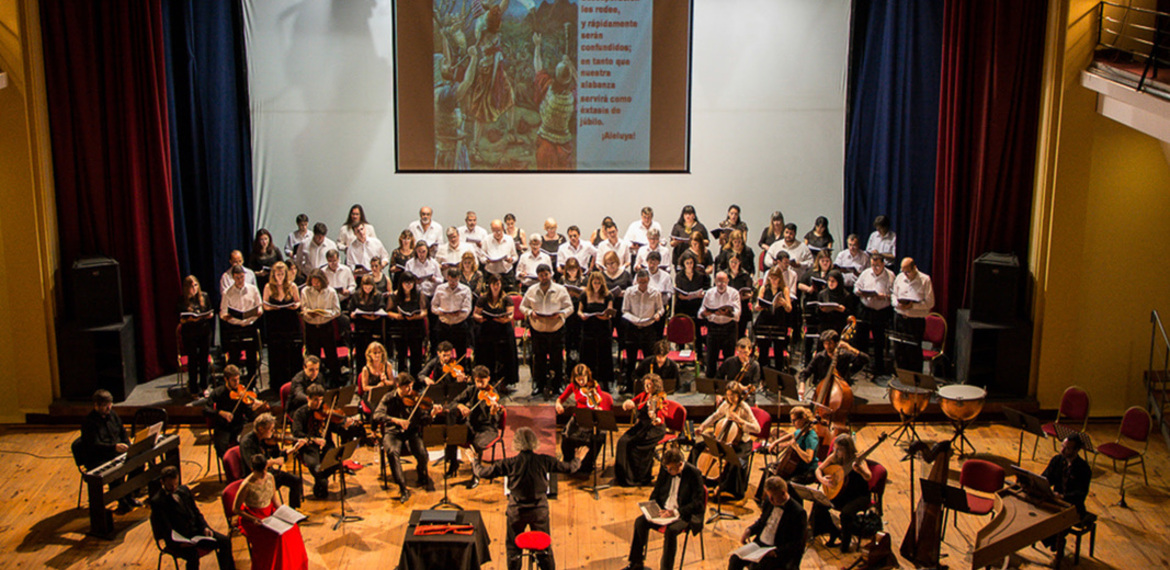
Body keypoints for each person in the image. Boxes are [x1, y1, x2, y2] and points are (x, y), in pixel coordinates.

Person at [468, 427, 585, 570]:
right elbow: (569, 468)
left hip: (516, 511)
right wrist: (578, 459)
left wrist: (474, 460)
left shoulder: (509, 463)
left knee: (513, 548)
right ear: (534, 442)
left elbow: (482, 472)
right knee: (544, 548)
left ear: (516, 443)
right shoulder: (544, 460)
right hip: (539, 511)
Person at [622, 447, 705, 570]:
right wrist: (651, 507)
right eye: (667, 468)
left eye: (671, 468)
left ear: (680, 464)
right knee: (640, 522)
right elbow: (657, 491)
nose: (668, 470)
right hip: (664, 510)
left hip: (683, 513)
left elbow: (698, 503)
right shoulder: (666, 470)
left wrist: (675, 512)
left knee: (671, 532)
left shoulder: (694, 474)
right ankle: (636, 563)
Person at [149, 465, 235, 570]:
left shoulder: (184, 490)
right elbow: (165, 528)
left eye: (176, 484)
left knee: (225, 541)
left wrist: (205, 527)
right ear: (162, 482)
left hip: (197, 532)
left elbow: (196, 512)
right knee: (193, 556)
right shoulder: (158, 501)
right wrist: (180, 544)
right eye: (170, 485)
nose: (174, 488)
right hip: (180, 540)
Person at [233, 453, 309, 569]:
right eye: (261, 472)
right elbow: (236, 509)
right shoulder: (246, 485)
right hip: (254, 518)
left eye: (265, 470)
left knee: (292, 529)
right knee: (277, 537)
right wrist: (254, 519)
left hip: (270, 512)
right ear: (252, 469)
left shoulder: (270, 477)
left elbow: (275, 499)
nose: (264, 474)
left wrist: (285, 513)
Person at [688, 381, 760, 500]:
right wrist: (702, 426)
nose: (730, 399)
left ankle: (725, 487)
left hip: (741, 442)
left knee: (734, 462)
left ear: (739, 395)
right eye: (728, 395)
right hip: (722, 437)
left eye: (733, 396)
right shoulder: (726, 404)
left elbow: (757, 428)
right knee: (698, 447)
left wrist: (740, 421)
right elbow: (715, 416)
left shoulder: (744, 407)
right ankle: (694, 475)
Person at [373, 374, 438, 501]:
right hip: (393, 432)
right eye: (406, 387)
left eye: (411, 387)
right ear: (398, 386)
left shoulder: (415, 399)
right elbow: (377, 415)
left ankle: (421, 473)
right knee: (392, 452)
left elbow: (423, 420)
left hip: (410, 432)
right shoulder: (388, 398)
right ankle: (402, 488)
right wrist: (396, 420)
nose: (410, 390)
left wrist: (432, 415)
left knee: (422, 453)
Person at [292, 384, 364, 499]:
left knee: (336, 460)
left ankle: (320, 481)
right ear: (308, 398)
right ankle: (322, 482)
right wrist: (315, 440)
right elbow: (297, 433)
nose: (318, 403)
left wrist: (344, 426)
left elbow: (335, 429)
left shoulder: (325, 412)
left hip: (326, 444)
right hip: (309, 447)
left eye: (320, 400)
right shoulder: (300, 413)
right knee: (314, 466)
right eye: (315, 400)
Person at [79, 389, 140, 512]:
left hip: (116, 452)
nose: (109, 408)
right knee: (115, 472)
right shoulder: (89, 423)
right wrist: (114, 448)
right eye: (105, 406)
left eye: (110, 404)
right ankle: (121, 500)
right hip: (100, 457)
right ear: (96, 405)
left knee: (139, 463)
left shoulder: (113, 415)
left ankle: (129, 494)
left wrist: (128, 445)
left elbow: (122, 432)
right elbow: (94, 445)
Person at [811, 434, 873, 553]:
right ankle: (834, 531)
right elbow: (818, 469)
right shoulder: (834, 457)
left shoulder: (858, 459)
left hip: (859, 495)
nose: (836, 451)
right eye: (835, 448)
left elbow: (869, 476)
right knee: (820, 504)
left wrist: (859, 470)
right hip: (842, 493)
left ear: (847, 449)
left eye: (839, 449)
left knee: (846, 514)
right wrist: (822, 479)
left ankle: (845, 544)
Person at [730, 476, 807, 570]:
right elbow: (762, 521)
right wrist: (749, 530)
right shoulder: (769, 502)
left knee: (759, 568)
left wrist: (776, 552)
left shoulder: (798, 512)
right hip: (759, 545)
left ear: (783, 493)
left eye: (772, 497)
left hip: (776, 551)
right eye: (768, 496)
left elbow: (797, 543)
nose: (770, 500)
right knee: (734, 559)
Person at [521, 264, 573, 396]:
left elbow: (570, 308)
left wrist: (560, 314)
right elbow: (522, 306)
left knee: (557, 359)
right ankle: (540, 384)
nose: (544, 277)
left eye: (546, 274)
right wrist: (530, 313)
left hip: (556, 328)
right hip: (538, 329)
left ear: (551, 274)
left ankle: (558, 384)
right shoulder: (532, 290)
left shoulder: (561, 289)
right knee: (539, 358)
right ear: (538, 276)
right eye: (541, 275)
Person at [445, 366, 503, 487]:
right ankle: (453, 464)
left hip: (487, 429)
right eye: (477, 381)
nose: (480, 384)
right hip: (471, 426)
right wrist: (461, 406)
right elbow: (452, 403)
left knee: (476, 444)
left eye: (483, 381)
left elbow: (495, 422)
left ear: (488, 379)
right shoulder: (471, 390)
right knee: (453, 435)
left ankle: (476, 475)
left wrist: (493, 412)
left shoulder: (493, 395)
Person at [238, 413, 305, 509]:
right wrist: (274, 462)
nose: (273, 432)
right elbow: (253, 466)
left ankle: (293, 510)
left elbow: (278, 455)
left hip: (269, 474)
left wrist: (294, 449)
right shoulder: (247, 443)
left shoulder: (265, 439)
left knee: (296, 480)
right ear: (261, 429)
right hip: (256, 478)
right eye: (271, 429)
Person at [532, 34, 577, 170]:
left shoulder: (548, 87)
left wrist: (537, 46)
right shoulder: (572, 96)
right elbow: (582, 85)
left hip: (545, 142)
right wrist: (571, 66)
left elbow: (538, 67)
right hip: (563, 145)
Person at [615, 374, 669, 487]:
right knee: (622, 441)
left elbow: (662, 415)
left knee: (634, 446)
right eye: (645, 384)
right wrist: (628, 404)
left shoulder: (660, 399)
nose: (647, 387)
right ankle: (623, 476)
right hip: (642, 426)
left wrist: (656, 417)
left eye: (649, 385)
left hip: (654, 429)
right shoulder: (645, 395)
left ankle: (637, 478)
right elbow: (634, 401)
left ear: (656, 386)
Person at [555, 364, 610, 475]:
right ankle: (570, 462)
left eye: (583, 379)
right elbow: (560, 399)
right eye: (578, 379)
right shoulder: (573, 386)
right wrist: (558, 404)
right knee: (566, 436)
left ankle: (586, 464)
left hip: (591, 419)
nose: (581, 382)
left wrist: (599, 409)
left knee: (596, 439)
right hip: (578, 418)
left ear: (587, 376)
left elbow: (600, 403)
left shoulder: (594, 385)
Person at [1041, 435, 1092, 550]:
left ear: (1076, 450)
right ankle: (1055, 541)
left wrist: (1063, 497)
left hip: (1073, 506)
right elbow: (1046, 477)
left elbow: (1080, 494)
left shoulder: (1083, 469)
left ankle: (1057, 542)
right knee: (1038, 518)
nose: (1062, 450)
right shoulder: (1057, 460)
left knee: (1055, 523)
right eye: (1062, 446)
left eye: (1067, 448)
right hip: (1056, 501)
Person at [206, 365, 266, 460]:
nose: (237, 383)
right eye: (234, 380)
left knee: (254, 440)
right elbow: (205, 410)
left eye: (238, 379)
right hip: (224, 428)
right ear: (226, 379)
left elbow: (249, 415)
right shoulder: (218, 393)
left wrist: (255, 409)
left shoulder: (241, 393)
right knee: (222, 448)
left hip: (240, 426)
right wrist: (220, 412)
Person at [622, 269, 666, 390]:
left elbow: (660, 309)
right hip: (633, 328)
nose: (643, 285)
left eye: (645, 282)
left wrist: (658, 315)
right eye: (640, 282)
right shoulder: (629, 292)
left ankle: (650, 386)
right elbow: (625, 310)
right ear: (636, 281)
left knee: (649, 359)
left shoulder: (655, 292)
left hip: (648, 328)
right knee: (631, 360)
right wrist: (635, 319)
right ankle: (630, 385)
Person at [473, 274, 520, 387]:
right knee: (486, 354)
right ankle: (488, 379)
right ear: (490, 285)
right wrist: (479, 318)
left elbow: (510, 315)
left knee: (505, 355)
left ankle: (504, 380)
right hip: (487, 330)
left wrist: (506, 319)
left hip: (502, 330)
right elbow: (475, 313)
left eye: (498, 284)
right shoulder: (483, 298)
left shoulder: (506, 299)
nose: (495, 287)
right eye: (493, 284)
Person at [300, 269, 343, 388]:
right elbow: (303, 309)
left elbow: (337, 311)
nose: (315, 284)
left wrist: (325, 313)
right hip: (312, 327)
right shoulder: (305, 291)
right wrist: (309, 313)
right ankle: (314, 382)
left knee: (331, 355)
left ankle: (335, 381)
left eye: (317, 282)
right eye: (313, 282)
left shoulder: (330, 292)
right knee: (313, 356)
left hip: (326, 326)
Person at [892, 257, 935, 373]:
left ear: (915, 268)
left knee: (913, 352)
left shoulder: (925, 279)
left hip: (915, 321)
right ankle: (901, 379)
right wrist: (897, 304)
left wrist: (912, 306)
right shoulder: (899, 278)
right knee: (899, 350)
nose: (905, 274)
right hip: (900, 318)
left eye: (908, 272)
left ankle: (915, 381)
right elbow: (893, 295)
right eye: (903, 271)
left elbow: (930, 303)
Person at [263, 262, 302, 390]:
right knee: (277, 354)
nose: (279, 277)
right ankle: (277, 384)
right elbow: (264, 305)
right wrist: (272, 307)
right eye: (277, 274)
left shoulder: (292, 286)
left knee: (293, 354)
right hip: (275, 324)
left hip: (290, 322)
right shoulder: (268, 287)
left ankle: (294, 383)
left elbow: (298, 302)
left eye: (282, 274)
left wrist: (295, 306)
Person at [854, 254, 894, 377]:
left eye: (877, 265)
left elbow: (894, 295)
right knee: (861, 339)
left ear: (883, 264)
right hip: (866, 309)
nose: (875, 268)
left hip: (881, 312)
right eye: (873, 265)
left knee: (879, 341)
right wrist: (861, 293)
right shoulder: (866, 273)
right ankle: (861, 365)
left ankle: (878, 368)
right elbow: (856, 288)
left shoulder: (890, 276)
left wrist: (884, 296)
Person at [219, 265, 264, 376]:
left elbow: (260, 306)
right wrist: (226, 316)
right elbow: (222, 312)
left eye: (242, 277)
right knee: (234, 358)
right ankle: (235, 384)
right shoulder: (227, 293)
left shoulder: (252, 289)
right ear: (233, 278)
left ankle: (251, 384)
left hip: (250, 326)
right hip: (235, 328)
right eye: (237, 278)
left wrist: (259, 311)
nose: (240, 280)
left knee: (251, 358)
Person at [798, 329, 870, 396]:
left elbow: (866, 360)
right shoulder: (820, 356)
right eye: (825, 344)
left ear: (836, 343)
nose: (827, 346)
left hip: (841, 390)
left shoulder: (844, 355)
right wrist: (802, 387)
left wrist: (850, 348)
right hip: (822, 388)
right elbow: (805, 373)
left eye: (830, 343)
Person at [762, 406, 819, 487]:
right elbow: (791, 435)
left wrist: (796, 447)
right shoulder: (801, 430)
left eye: (794, 420)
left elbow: (808, 459)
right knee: (769, 469)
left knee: (786, 483)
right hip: (797, 466)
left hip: (807, 471)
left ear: (802, 419)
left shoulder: (811, 437)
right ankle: (761, 498)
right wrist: (775, 442)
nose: (792, 423)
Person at [579, 270, 616, 391]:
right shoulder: (585, 294)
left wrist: (606, 315)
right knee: (588, 354)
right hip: (589, 328)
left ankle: (605, 381)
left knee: (604, 355)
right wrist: (582, 315)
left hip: (603, 329)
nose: (596, 286)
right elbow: (579, 310)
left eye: (599, 283)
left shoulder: (607, 295)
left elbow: (610, 311)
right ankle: (587, 380)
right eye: (594, 283)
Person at [699, 271, 740, 375]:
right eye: (719, 281)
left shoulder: (734, 293)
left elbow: (737, 315)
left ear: (728, 281)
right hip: (713, 328)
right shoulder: (709, 293)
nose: (721, 284)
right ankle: (711, 384)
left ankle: (727, 384)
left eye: (723, 282)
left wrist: (727, 314)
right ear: (715, 281)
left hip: (729, 328)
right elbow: (700, 313)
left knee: (729, 360)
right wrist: (706, 314)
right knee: (711, 359)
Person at [179, 275, 214, 394]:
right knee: (193, 361)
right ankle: (193, 388)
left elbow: (210, 311)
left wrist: (209, 315)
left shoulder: (204, 296)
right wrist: (190, 320)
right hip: (190, 333)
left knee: (204, 360)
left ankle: (204, 386)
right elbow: (181, 319)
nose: (194, 288)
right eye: (191, 286)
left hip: (204, 331)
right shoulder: (183, 300)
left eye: (195, 285)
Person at [754, 266, 794, 373]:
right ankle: (763, 377)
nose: (774, 281)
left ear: (780, 278)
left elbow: (789, 309)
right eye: (772, 278)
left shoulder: (784, 289)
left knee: (778, 352)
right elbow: (757, 304)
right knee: (763, 352)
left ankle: (778, 376)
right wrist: (758, 306)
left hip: (779, 321)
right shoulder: (764, 288)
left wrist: (784, 303)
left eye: (776, 279)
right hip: (765, 321)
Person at [389, 273, 427, 377]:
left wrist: (416, 316)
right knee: (401, 356)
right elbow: (388, 311)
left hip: (416, 327)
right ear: (401, 283)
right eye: (406, 283)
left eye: (411, 282)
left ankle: (416, 380)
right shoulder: (395, 295)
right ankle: (402, 381)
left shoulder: (419, 294)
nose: (408, 285)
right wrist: (397, 316)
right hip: (401, 327)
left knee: (416, 356)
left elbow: (424, 311)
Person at [349, 274, 388, 374]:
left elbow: (382, 308)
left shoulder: (378, 295)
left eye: (370, 287)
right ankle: (361, 374)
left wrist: (374, 315)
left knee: (375, 352)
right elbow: (351, 309)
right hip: (361, 327)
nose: (367, 289)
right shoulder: (357, 295)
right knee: (361, 353)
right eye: (365, 287)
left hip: (374, 326)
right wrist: (354, 314)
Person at [431, 267, 473, 357]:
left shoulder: (465, 289)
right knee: (442, 355)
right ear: (447, 277)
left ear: (459, 278)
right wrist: (441, 312)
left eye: (455, 281)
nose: (453, 283)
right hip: (443, 325)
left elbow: (467, 309)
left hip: (459, 325)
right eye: (451, 281)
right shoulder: (440, 288)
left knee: (461, 354)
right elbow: (433, 307)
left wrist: (457, 315)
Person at [357, 341, 394, 415]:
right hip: (371, 396)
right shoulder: (366, 369)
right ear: (369, 354)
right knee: (377, 410)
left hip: (384, 393)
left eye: (379, 352)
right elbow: (364, 387)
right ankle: (374, 425)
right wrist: (376, 387)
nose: (377, 355)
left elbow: (393, 382)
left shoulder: (387, 365)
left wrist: (385, 381)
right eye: (374, 353)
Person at [483, 219, 519, 291]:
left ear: (503, 228)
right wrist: (487, 260)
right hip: (491, 273)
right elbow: (481, 257)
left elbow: (515, 256)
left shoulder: (509, 239)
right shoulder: (486, 240)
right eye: (495, 231)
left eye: (499, 230)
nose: (498, 233)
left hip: (506, 273)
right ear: (492, 230)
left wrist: (511, 260)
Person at [816, 269, 855, 334]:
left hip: (840, 325)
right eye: (829, 281)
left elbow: (851, 313)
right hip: (826, 325)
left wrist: (843, 310)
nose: (830, 283)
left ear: (838, 282)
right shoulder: (822, 294)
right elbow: (817, 313)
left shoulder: (846, 295)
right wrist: (822, 310)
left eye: (833, 281)